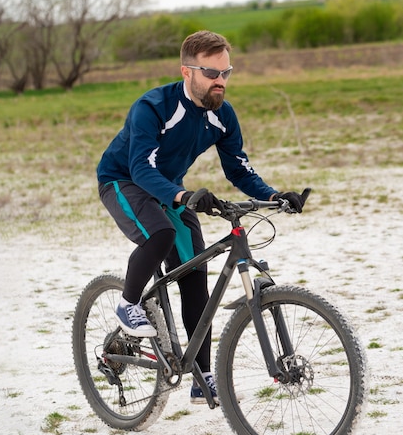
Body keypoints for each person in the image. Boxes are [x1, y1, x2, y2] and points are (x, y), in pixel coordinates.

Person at [97, 30, 307, 404]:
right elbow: (141, 168)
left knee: (195, 276)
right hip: (123, 181)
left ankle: (202, 375)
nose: (220, 81)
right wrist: (182, 195)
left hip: (170, 189)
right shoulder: (153, 107)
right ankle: (129, 304)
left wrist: (274, 195)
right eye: (212, 73)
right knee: (159, 233)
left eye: (226, 72)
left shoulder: (222, 115)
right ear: (187, 71)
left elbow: (239, 170)